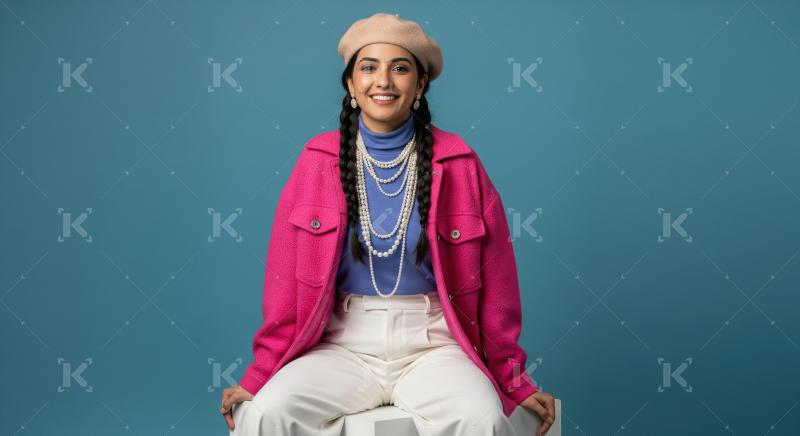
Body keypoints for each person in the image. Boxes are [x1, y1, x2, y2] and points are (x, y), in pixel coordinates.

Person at [219, 12, 557, 436]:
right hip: (342, 344)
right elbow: (284, 285)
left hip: (433, 345)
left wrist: (513, 378)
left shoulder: (459, 163)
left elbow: (498, 285)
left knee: (483, 420)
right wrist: (259, 375)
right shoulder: (316, 161)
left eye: (400, 68)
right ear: (350, 84)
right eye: (368, 67)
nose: (383, 80)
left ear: (420, 86)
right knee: (267, 414)